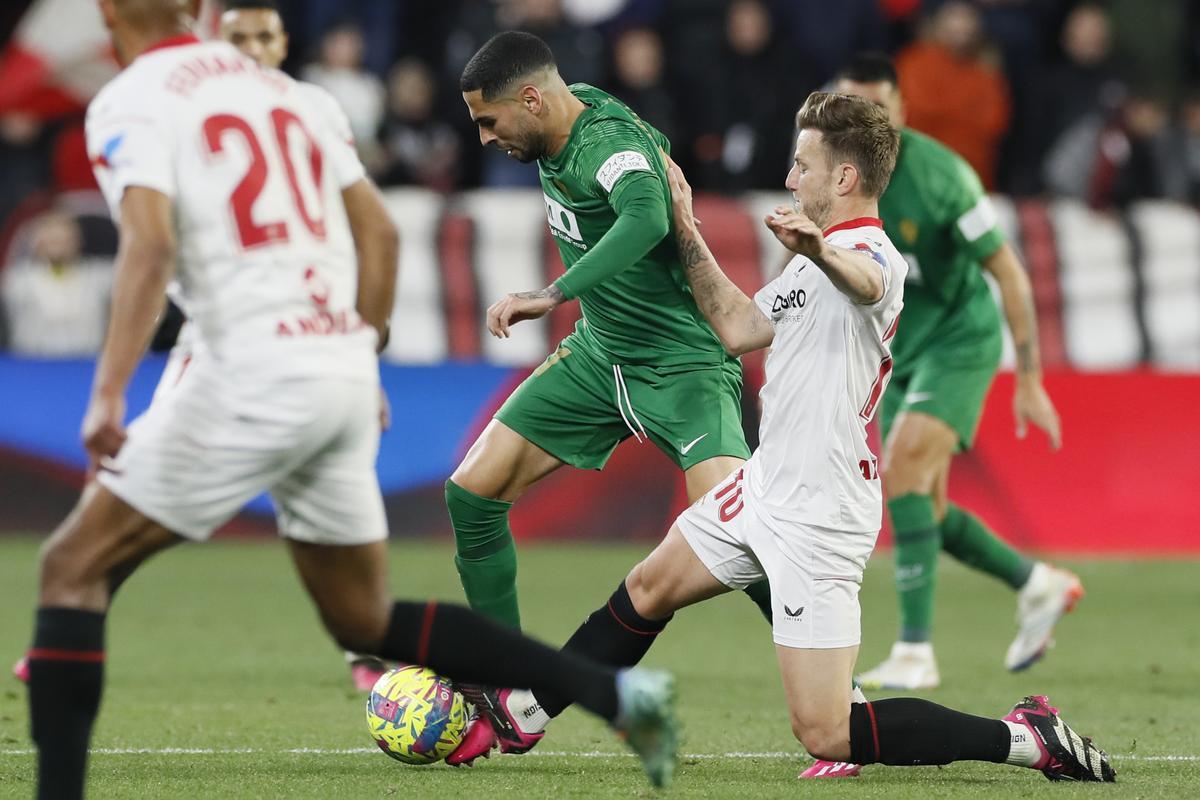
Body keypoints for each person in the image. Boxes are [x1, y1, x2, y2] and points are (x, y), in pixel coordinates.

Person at [23, 3, 678, 798]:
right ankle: (615, 694)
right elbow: (381, 233)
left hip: (245, 370)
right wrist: (359, 360)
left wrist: (107, 394)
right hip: (334, 365)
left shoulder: (134, 98)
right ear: (200, 13)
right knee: (364, 621)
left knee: (69, 569)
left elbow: (150, 244)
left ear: (105, 12)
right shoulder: (295, 97)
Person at [498, 89, 1115, 784]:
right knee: (649, 585)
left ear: (843, 178)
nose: (792, 178)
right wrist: (682, 223)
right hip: (764, 486)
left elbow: (865, 282)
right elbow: (737, 329)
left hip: (821, 510)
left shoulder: (874, 256)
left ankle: (1024, 738)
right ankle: (524, 712)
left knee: (826, 732)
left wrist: (821, 249)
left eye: (802, 165)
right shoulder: (805, 265)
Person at [448, 30, 763, 756]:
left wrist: (550, 292)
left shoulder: (605, 141)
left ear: (531, 99)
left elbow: (647, 215)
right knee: (471, 493)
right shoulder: (565, 119)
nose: (486, 137)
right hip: (599, 357)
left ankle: (840, 700)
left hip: (682, 366)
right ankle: (504, 681)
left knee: (742, 537)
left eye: (489, 120)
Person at [831, 55, 1080, 697]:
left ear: (902, 111)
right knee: (924, 507)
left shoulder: (944, 178)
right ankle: (1036, 584)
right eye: (854, 109)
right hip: (897, 350)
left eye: (877, 109)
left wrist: (1028, 377)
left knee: (905, 469)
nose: (866, 122)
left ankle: (915, 652)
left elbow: (1009, 273)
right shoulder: (832, 174)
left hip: (960, 341)